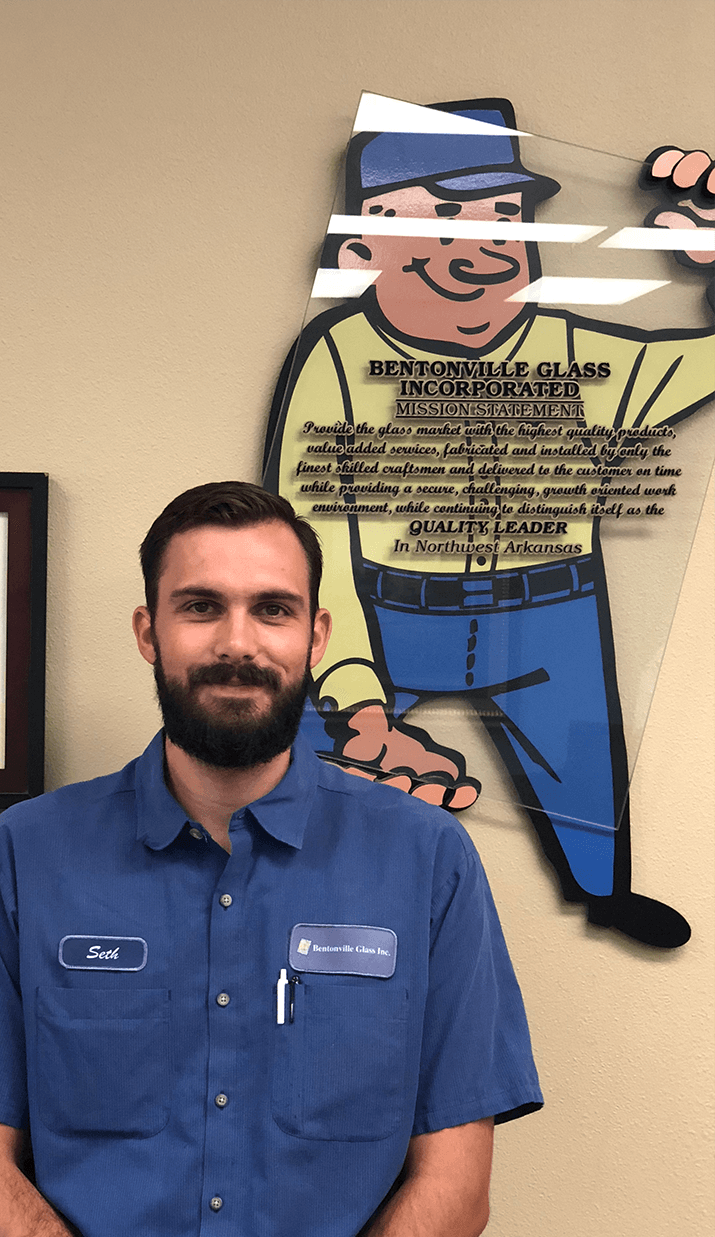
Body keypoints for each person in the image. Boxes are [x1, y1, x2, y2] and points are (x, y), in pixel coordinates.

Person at [0, 481, 542, 1237]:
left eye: (272, 609)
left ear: (314, 636)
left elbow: (455, 1185)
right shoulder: (27, 855)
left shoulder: (427, 863)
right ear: (148, 631)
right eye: (201, 606)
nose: (238, 643)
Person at [263, 99, 714, 948]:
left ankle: (603, 892)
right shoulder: (336, 356)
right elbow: (313, 537)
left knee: (586, 783)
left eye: (504, 215)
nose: (480, 243)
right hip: (391, 613)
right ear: (361, 247)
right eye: (439, 216)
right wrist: (356, 694)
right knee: (303, 758)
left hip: (548, 618)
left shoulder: (580, 352)